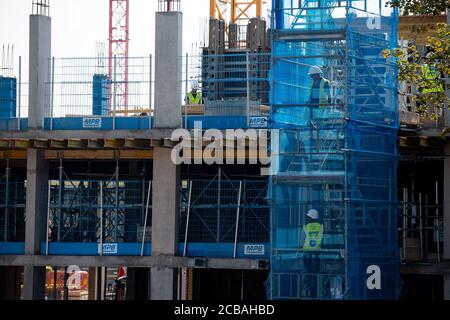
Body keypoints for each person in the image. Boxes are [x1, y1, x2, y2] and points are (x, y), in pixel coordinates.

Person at [302, 209, 324, 298]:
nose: (307, 219)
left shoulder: (306, 227)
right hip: (317, 253)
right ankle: (315, 293)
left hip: (307, 253)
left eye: (308, 217)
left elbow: (302, 238)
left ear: (311, 218)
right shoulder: (321, 227)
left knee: (307, 274)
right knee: (316, 275)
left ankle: (308, 293)